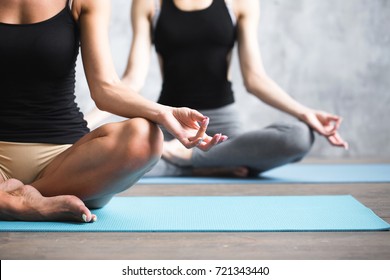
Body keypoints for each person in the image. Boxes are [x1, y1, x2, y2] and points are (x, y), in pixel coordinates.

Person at [0, 0, 226, 222]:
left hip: (65, 165)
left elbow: (105, 89)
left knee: (145, 137)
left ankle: (17, 198)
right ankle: (20, 203)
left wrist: (165, 114)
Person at [120, 0, 348, 177]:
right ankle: (207, 165)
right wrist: (87, 124)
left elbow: (255, 79)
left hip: (224, 132)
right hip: (172, 128)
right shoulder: (150, 3)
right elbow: (133, 80)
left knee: (299, 137)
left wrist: (304, 112)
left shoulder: (239, 2)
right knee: (120, 162)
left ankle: (188, 158)